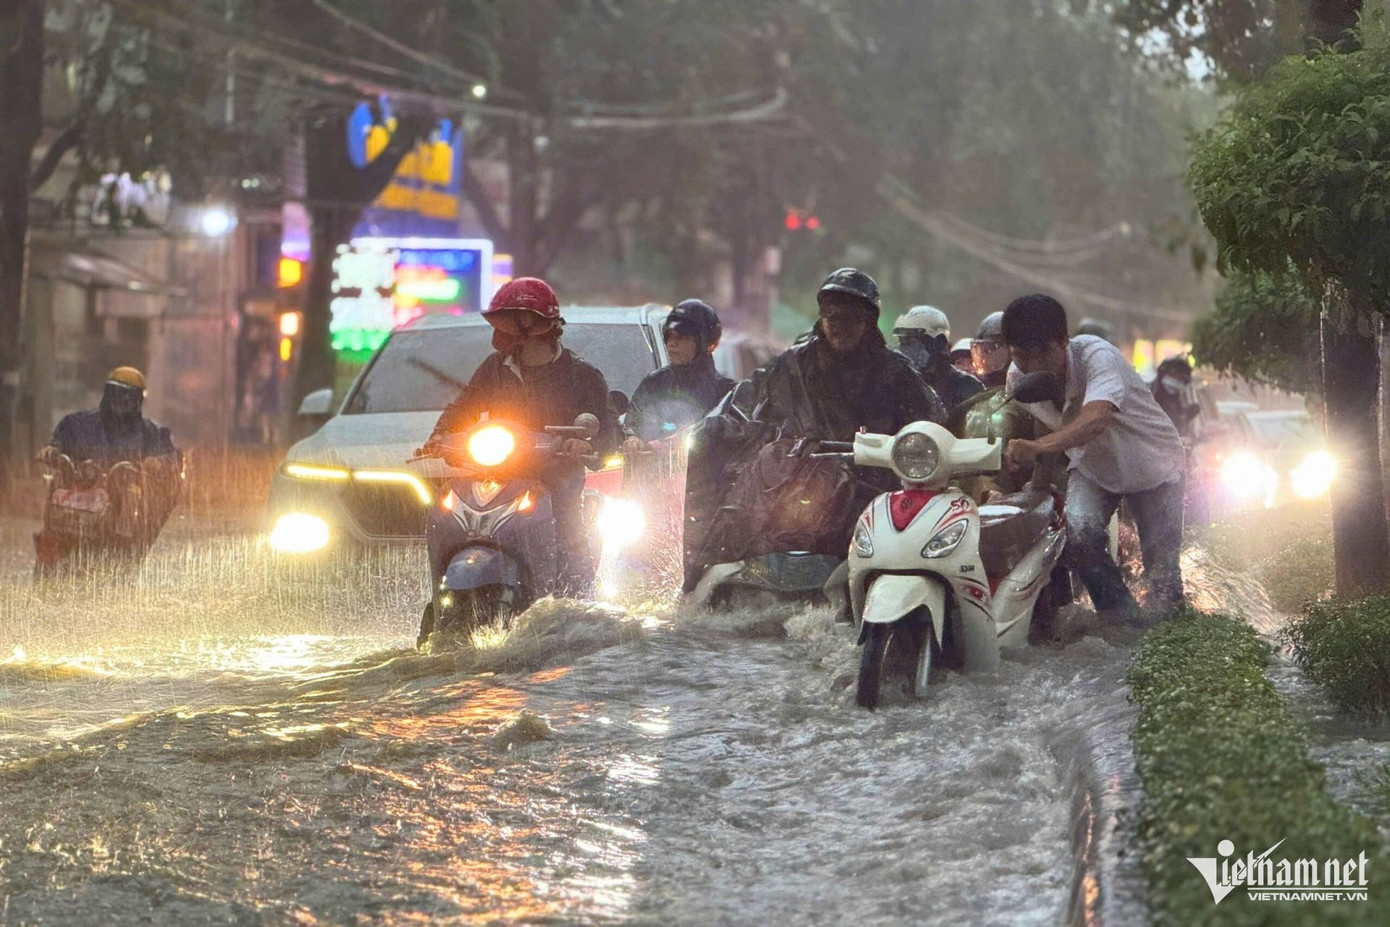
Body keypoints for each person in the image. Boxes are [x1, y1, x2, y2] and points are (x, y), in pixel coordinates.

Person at [683, 268, 947, 590]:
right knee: (738, 509)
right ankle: (698, 582)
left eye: (849, 318)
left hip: (870, 483)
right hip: (795, 476)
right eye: (831, 317)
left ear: (867, 322)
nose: (839, 326)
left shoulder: (896, 373)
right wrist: (707, 431)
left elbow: (931, 424)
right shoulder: (791, 365)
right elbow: (742, 405)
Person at [427, 277, 620, 592]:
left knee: (569, 540)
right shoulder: (495, 368)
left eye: (508, 325)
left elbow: (610, 434)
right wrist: (441, 435)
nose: (499, 335)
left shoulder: (582, 376)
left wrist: (585, 445)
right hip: (500, 480)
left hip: (557, 485)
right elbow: (465, 406)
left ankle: (578, 602)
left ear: (535, 327)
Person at [1001, 294, 1185, 620]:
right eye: (1021, 356)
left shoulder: (1096, 356)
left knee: (1162, 576)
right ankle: (1121, 622)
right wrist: (1038, 485)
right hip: (1094, 468)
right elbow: (1039, 425)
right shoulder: (1017, 378)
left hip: (1154, 466)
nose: (1033, 366)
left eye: (1042, 352)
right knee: (1079, 540)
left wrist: (1040, 448)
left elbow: (1096, 418)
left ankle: (1170, 632)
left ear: (1064, 340)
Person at [35, 366, 182, 569]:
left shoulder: (153, 434)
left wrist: (156, 463)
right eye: (114, 393)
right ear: (106, 393)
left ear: (137, 400)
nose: (119, 402)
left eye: (126, 396)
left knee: (129, 534)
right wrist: (53, 451)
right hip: (77, 501)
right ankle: (48, 567)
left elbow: (171, 459)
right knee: (52, 529)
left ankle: (123, 566)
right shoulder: (77, 424)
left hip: (122, 511)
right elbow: (59, 442)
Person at [622, 299, 734, 450]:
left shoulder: (726, 393)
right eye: (669, 336)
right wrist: (633, 438)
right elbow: (632, 423)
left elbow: (730, 441)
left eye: (681, 337)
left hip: (703, 470)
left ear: (704, 342)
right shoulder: (653, 384)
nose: (672, 343)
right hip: (653, 471)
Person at [893, 305, 983, 414]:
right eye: (902, 342)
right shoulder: (899, 384)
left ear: (938, 342)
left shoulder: (967, 387)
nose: (905, 350)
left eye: (911, 342)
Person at [1151, 356, 1201, 440]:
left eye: (1182, 379)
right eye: (1175, 377)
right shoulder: (1149, 398)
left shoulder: (1175, 400)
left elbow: (1180, 426)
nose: (1177, 382)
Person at [970, 312, 1010, 389]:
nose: (984, 356)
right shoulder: (977, 384)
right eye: (984, 350)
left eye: (992, 349)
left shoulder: (1017, 385)